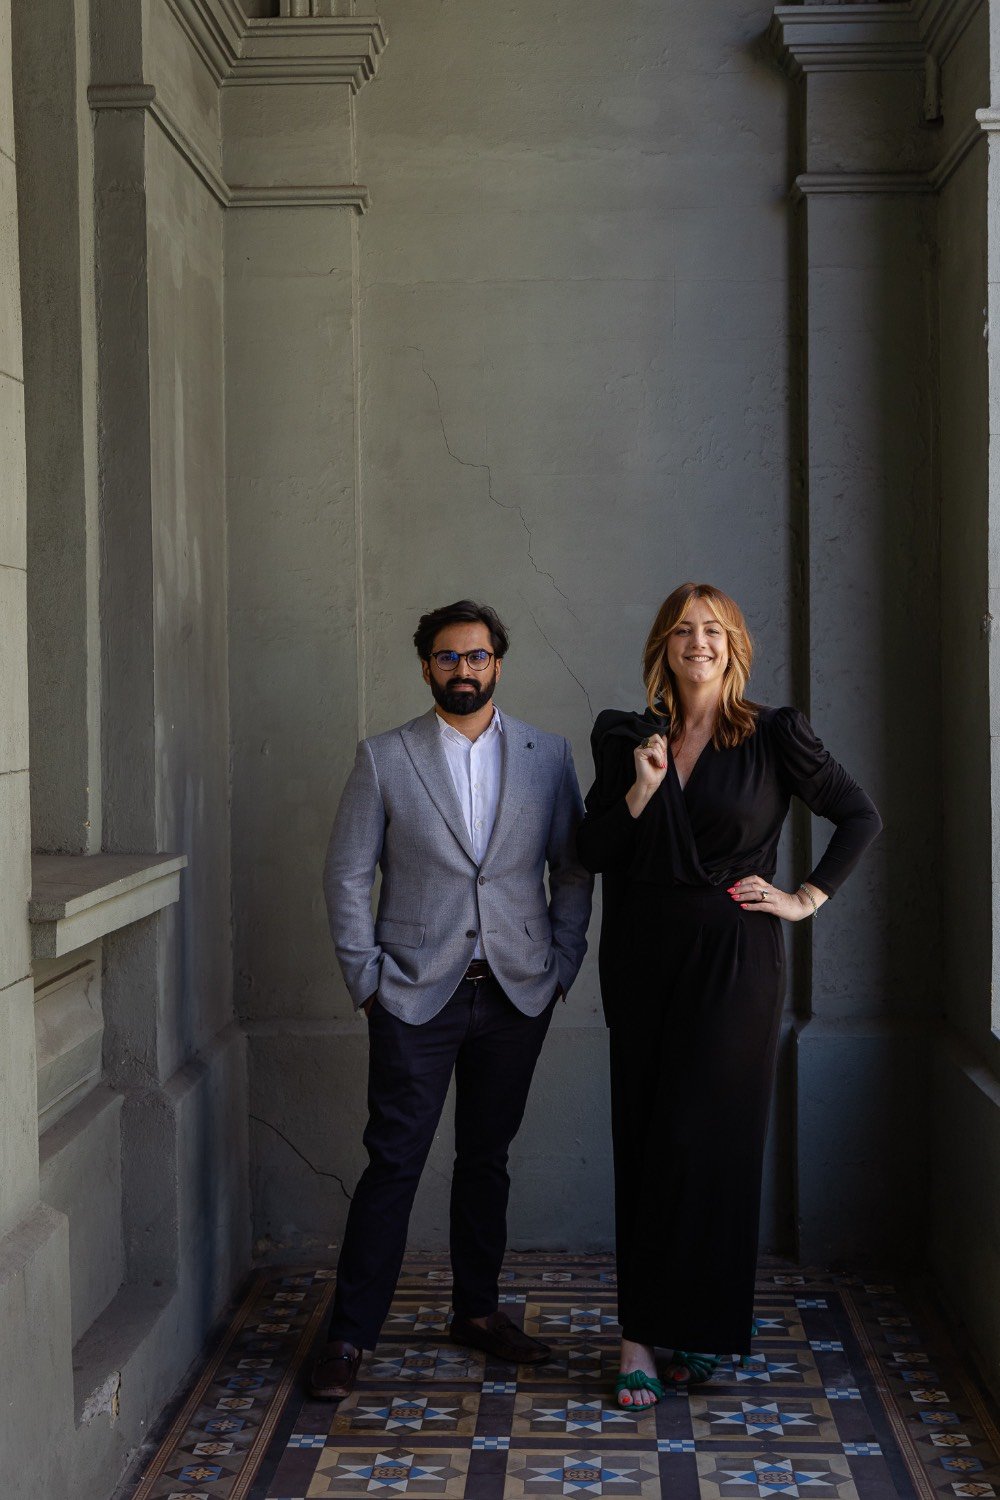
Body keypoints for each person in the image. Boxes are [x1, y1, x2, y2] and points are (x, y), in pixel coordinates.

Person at [577, 581, 882, 1409]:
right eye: (682, 629)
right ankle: (639, 1334)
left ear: (735, 645)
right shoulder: (624, 734)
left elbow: (859, 815)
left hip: (736, 962)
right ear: (662, 646)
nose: (698, 641)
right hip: (642, 959)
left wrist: (804, 898)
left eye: (713, 629)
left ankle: (700, 1328)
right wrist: (640, 789)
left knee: (711, 1144)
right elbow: (588, 847)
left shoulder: (774, 734)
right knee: (645, 1136)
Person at [310, 599, 593, 1401]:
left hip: (516, 991)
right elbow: (345, 874)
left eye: (475, 657)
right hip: (413, 995)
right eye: (446, 657)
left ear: (498, 662)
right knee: (393, 1164)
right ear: (425, 665)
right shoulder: (384, 757)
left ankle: (477, 1313)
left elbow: (572, 869)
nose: (462, 670)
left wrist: (563, 962)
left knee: (486, 1160)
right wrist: (367, 979)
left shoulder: (548, 755)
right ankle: (348, 1337)